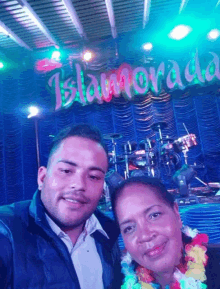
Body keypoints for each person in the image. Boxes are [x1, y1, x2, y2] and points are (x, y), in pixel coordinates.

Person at [0, 124, 122, 289]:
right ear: (42, 178)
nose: (79, 185)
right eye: (66, 171)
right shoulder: (6, 230)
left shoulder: (109, 232)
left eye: (93, 176)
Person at [111, 176, 220, 289]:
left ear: (176, 213)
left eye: (154, 215)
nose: (145, 235)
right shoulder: (117, 282)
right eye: (129, 228)